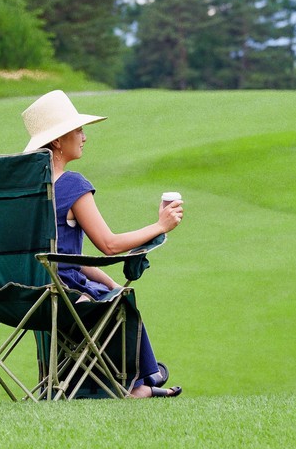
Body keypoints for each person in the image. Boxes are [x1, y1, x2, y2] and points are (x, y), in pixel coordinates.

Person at [21, 89, 183, 398]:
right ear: (57, 140)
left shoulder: (24, 189)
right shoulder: (71, 185)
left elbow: (59, 254)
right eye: (78, 130)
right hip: (63, 293)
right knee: (114, 304)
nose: (84, 137)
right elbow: (108, 245)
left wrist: (109, 282)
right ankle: (142, 383)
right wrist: (160, 226)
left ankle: (134, 383)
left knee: (111, 293)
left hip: (25, 295)